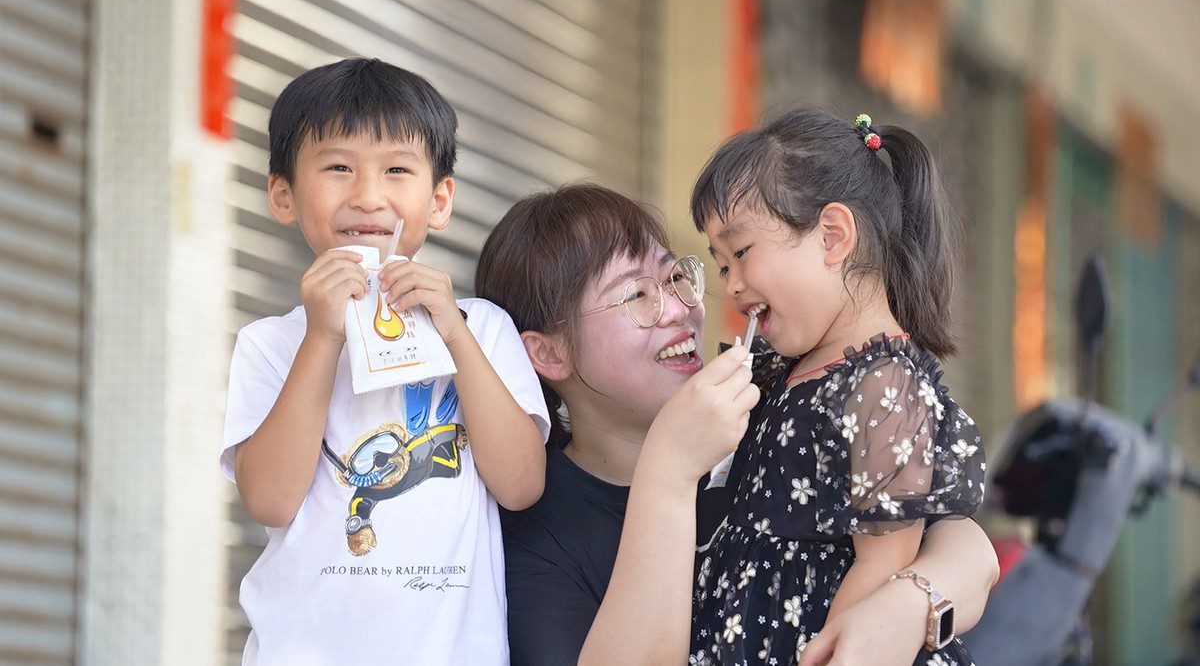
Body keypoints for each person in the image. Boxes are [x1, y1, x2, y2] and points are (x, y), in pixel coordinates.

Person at [478, 182, 998, 665]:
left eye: (675, 278)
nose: (679, 309)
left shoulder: (768, 411)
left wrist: (907, 604)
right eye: (636, 295)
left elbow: (962, 546)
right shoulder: (532, 535)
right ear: (550, 353)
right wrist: (669, 471)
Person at [219, 58, 549, 664]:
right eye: (338, 167)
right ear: (283, 195)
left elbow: (521, 486)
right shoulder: (271, 343)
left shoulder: (481, 327)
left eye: (397, 169)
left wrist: (453, 334)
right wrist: (322, 338)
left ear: (440, 200)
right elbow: (268, 500)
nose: (368, 196)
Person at [690, 107, 986, 665]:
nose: (732, 286)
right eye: (722, 266)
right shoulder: (782, 372)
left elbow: (884, 564)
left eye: (742, 253)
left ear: (832, 236)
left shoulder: (885, 385)